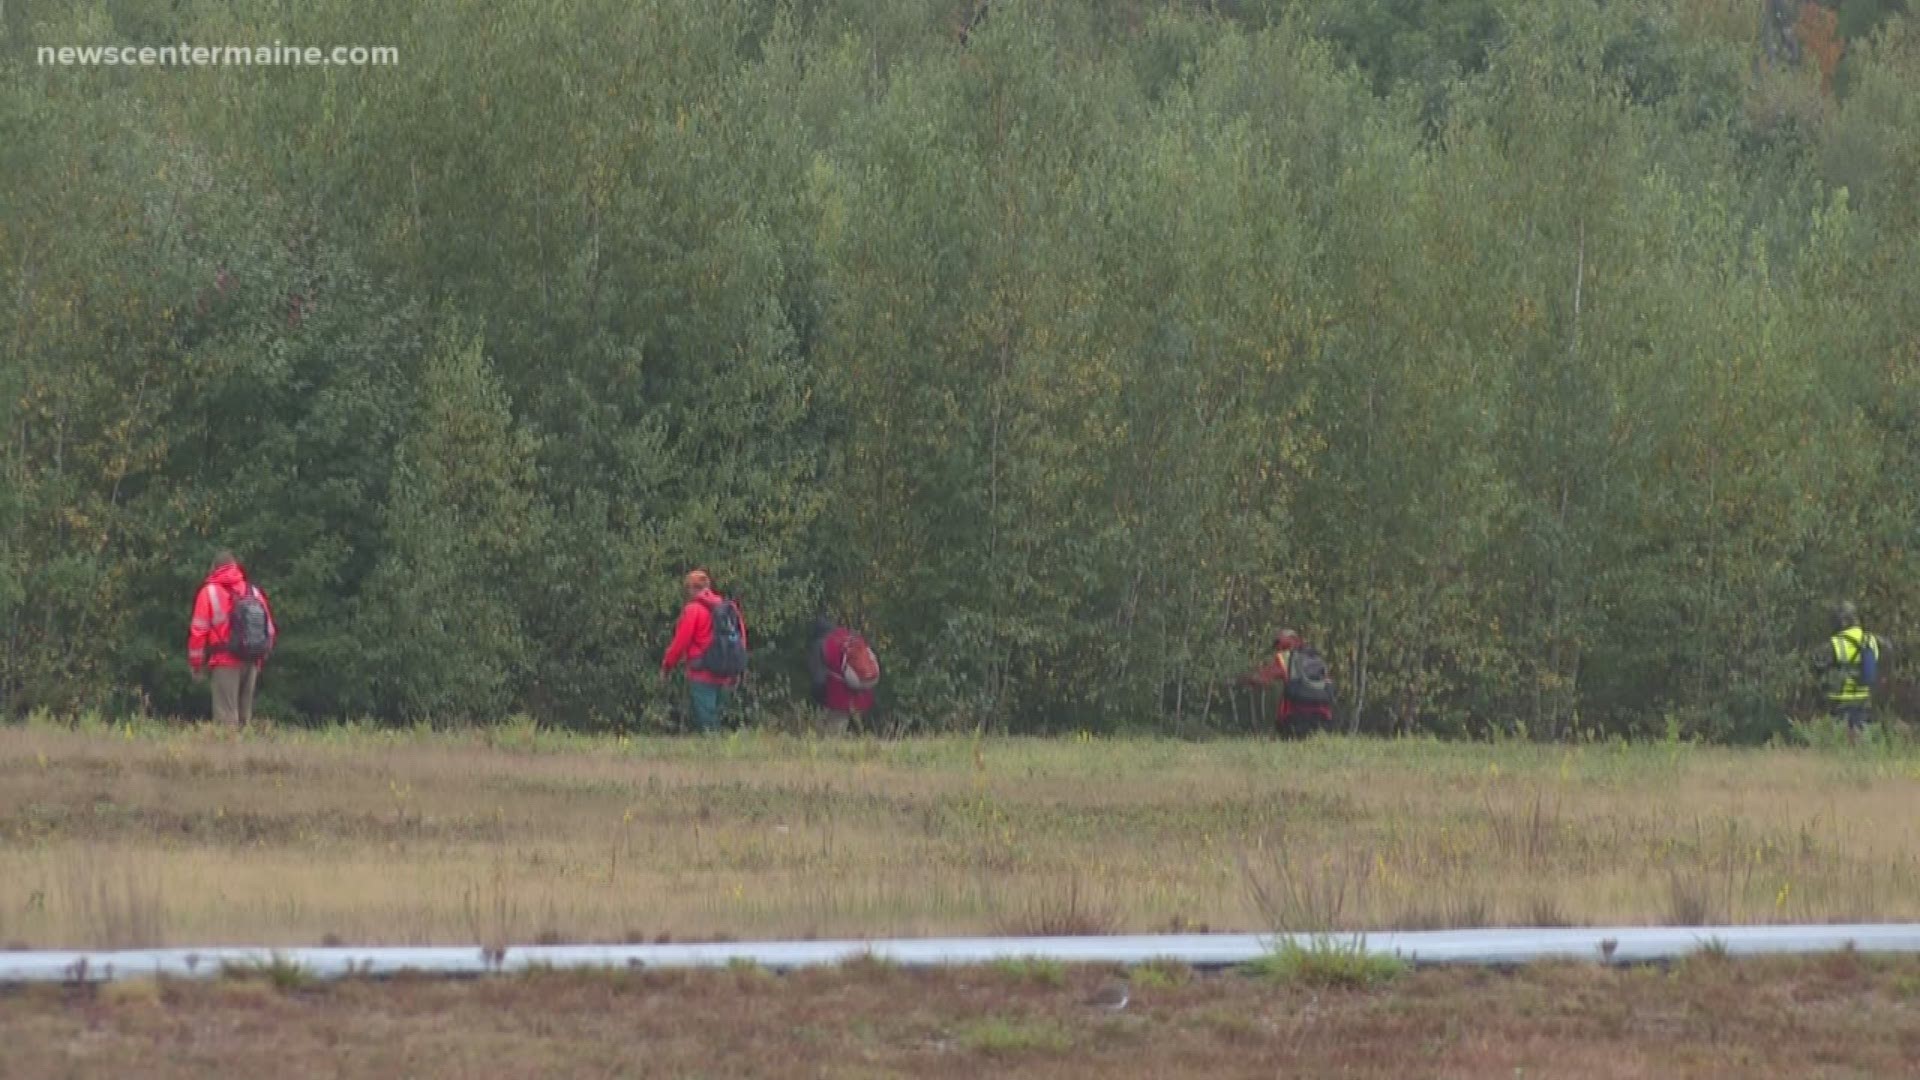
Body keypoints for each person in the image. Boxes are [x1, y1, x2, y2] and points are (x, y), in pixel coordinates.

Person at [187, 550, 276, 729]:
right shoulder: (254, 592)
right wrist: (260, 659)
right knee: (245, 718)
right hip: (251, 660)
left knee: (226, 717)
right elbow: (270, 630)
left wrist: (196, 664)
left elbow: (198, 631)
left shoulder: (209, 592)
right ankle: (247, 755)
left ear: (214, 568)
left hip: (224, 662)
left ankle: (228, 755)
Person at [660, 569, 748, 734]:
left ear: (690, 589)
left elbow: (680, 642)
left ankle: (713, 752)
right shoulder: (729, 607)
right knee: (720, 716)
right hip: (727, 671)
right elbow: (741, 637)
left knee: (707, 722)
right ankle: (724, 750)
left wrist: (667, 665)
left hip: (701, 672)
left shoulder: (693, 610)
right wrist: (739, 666)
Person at [1237, 628, 1335, 737]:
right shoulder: (1315, 657)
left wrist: (1243, 679)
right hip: (1323, 718)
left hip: (1295, 718)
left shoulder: (1284, 658)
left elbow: (1263, 679)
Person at [1815, 601, 1885, 742]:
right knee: (1861, 738)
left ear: (1842, 621)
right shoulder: (1871, 640)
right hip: (1864, 698)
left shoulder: (1836, 643)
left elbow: (1818, 664)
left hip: (1841, 699)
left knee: (1839, 740)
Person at [807, 615, 878, 735]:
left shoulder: (822, 643)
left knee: (834, 733)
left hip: (839, 693)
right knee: (860, 731)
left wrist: (818, 696)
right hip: (864, 689)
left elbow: (819, 677)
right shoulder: (851, 636)